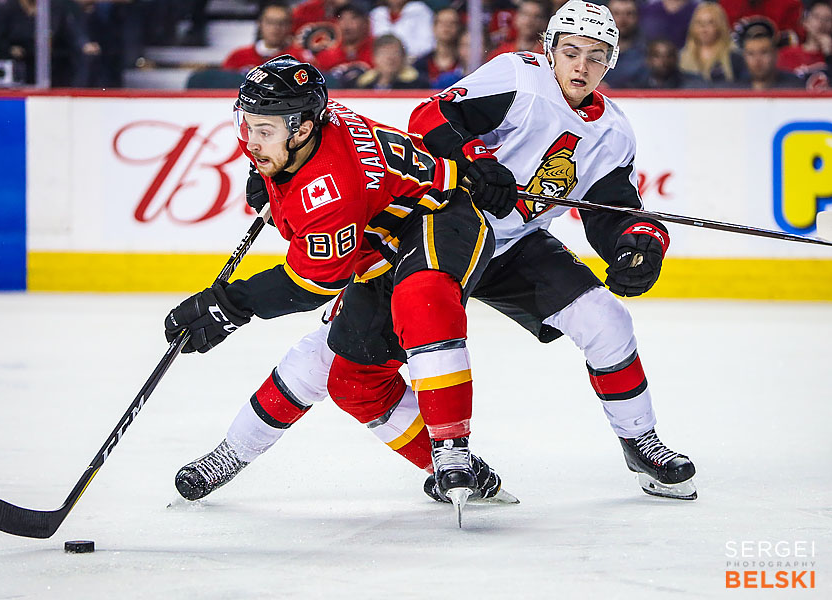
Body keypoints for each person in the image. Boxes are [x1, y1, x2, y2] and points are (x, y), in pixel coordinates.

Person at [173, 1, 698, 509]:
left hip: (513, 243)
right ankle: (234, 454)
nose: (582, 66)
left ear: (611, 60)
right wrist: (476, 162)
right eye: (572, 51)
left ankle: (640, 441)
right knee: (329, 360)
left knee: (607, 320)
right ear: (549, 47)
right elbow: (431, 116)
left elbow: (613, 210)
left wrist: (638, 245)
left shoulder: (612, 132)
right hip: (440, 219)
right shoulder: (519, 77)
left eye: (596, 55)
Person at [166, 54, 496, 515]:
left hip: (439, 220)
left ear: (300, 130)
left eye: (265, 131)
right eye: (249, 125)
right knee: (344, 378)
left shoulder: (330, 186)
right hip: (380, 244)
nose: (252, 141)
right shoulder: (311, 121)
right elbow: (294, 166)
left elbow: (312, 282)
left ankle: (452, 452)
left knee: (422, 300)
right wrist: (266, 175)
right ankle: (232, 453)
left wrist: (230, 305)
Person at [221, 2, 305, 74]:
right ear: (260, 24)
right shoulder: (238, 56)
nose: (275, 28)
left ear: (290, 26)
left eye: (282, 23)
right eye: (270, 22)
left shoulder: (299, 58)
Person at [678, 2, 745, 86]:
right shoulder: (681, 57)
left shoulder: (735, 58)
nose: (704, 28)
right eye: (699, 23)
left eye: (710, 22)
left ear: (720, 26)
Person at [312, 3, 374, 87]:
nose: (347, 24)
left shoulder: (376, 51)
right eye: (342, 18)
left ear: (365, 22)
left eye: (353, 18)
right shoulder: (326, 56)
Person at [735, 18, 804, 90]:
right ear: (744, 57)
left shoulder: (794, 87)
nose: (757, 59)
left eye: (764, 52)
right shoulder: (734, 90)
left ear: (775, 55)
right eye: (751, 54)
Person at [778, 1, 832, 90]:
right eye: (817, 17)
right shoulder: (787, 54)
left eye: (828, 19)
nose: (822, 23)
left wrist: (829, 56)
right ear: (805, 22)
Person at [413, 7, 463, 89]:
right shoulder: (420, 64)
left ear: (459, 28)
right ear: (433, 27)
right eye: (442, 23)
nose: (447, 27)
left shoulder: (465, 62)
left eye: (452, 23)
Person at [354, 33, 428, 89]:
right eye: (384, 53)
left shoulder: (418, 84)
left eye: (395, 52)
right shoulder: (363, 84)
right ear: (374, 58)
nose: (389, 58)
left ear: (403, 57)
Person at [603, 0, 647, 88]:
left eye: (629, 13)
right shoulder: (594, 49)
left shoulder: (648, 52)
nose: (623, 19)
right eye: (616, 13)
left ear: (637, 17)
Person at [369, 0, 434, 60]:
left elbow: (428, 44)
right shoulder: (376, 14)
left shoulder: (421, 11)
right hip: (383, 63)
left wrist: (403, 56)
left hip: (415, 61)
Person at [632, 36, 704, 89]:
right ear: (648, 59)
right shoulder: (635, 86)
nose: (664, 61)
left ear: (676, 58)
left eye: (669, 55)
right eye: (657, 56)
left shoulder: (691, 84)